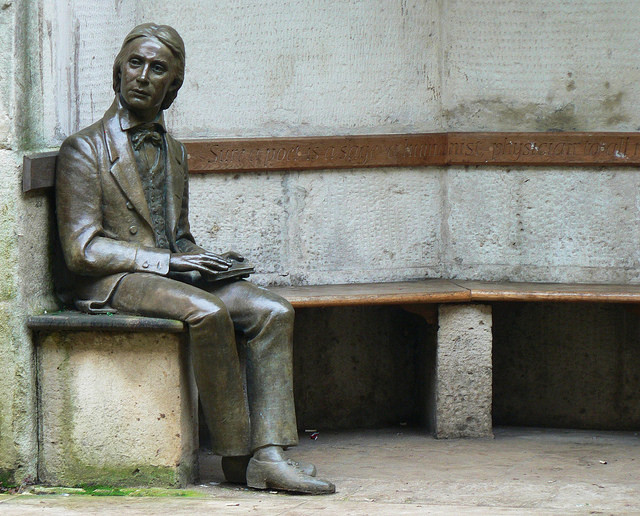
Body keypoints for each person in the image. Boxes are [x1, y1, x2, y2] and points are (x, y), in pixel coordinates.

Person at [55, 22, 334, 495]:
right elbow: (82, 250)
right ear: (117, 72)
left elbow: (177, 236)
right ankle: (234, 453)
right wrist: (168, 263)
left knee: (272, 309)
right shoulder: (84, 149)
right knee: (207, 311)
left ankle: (268, 454)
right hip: (114, 280)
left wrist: (205, 260)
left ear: (172, 88)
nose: (142, 76)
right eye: (135, 64)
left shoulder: (176, 152)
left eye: (157, 69)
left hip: (166, 270)